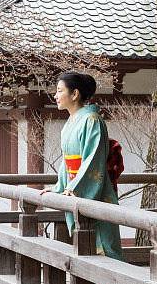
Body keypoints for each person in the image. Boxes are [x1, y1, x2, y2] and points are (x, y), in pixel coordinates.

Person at [39, 72, 126, 268]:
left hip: (97, 190)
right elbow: (66, 163)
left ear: (75, 93)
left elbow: (93, 159)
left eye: (59, 91)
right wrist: (61, 187)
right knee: (89, 249)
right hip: (76, 188)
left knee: (107, 247)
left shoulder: (92, 120)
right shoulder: (70, 123)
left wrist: (76, 187)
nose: (55, 96)